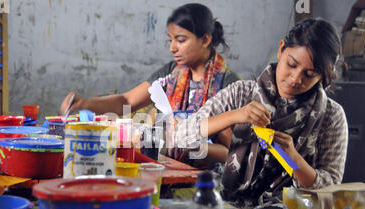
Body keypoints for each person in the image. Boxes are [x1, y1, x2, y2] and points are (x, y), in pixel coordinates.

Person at [174, 18, 348, 209]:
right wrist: (234, 116)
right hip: (231, 202)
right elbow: (180, 136)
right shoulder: (242, 94)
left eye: (309, 74)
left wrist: (292, 159)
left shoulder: (331, 116)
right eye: (291, 65)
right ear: (281, 49)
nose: (295, 79)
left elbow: (330, 189)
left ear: (321, 76)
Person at [60, 3, 240, 165]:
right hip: (164, 167)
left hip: (205, 182)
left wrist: (191, 143)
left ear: (206, 39)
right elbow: (127, 101)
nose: (172, 48)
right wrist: (85, 104)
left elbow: (232, 153)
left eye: (181, 40)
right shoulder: (172, 74)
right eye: (170, 40)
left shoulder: (227, 85)